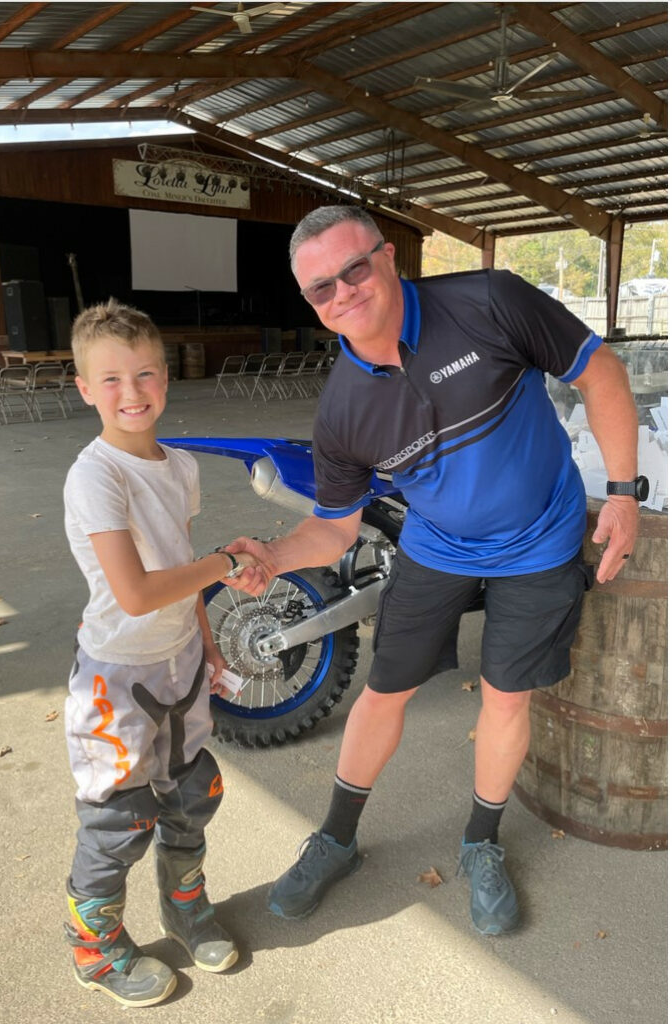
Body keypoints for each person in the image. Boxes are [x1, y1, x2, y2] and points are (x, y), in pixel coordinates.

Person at [227, 205, 641, 936]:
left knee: (506, 698)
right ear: (312, 305)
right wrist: (274, 556)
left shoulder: (490, 302)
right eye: (322, 288)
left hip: (540, 541)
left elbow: (597, 369)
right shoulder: (343, 410)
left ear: (390, 258)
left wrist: (622, 492)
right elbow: (333, 527)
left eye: (355, 268)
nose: (344, 292)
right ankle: (335, 838)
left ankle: (481, 843)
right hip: (437, 546)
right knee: (383, 692)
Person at [62, 298, 257, 1006]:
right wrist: (224, 561)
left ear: (167, 379)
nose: (132, 392)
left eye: (145, 374)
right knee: (119, 818)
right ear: (84, 388)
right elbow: (138, 592)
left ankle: (183, 904)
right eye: (110, 379)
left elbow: (181, 576)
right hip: (119, 674)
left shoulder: (178, 468)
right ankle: (94, 946)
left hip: (179, 664)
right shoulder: (96, 477)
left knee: (190, 793)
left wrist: (206, 648)